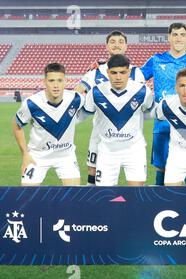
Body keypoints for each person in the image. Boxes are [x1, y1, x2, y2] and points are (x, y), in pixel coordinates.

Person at [141, 22, 186, 186]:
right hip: (162, 125)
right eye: (174, 34)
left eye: (182, 35)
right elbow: (134, 77)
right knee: (161, 168)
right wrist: (102, 69)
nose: (178, 38)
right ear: (169, 37)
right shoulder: (156, 60)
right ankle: (160, 207)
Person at [74, 30, 145, 185]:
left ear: (126, 46)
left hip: (129, 135)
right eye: (112, 41)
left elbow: (142, 100)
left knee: (135, 182)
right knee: (93, 172)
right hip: (101, 133)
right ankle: (95, 203)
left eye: (120, 42)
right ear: (106, 46)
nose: (116, 45)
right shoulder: (96, 71)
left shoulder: (136, 72)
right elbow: (78, 92)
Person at [80, 55, 154, 186]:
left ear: (129, 72)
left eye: (122, 72)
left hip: (134, 151)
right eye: (114, 73)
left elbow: (149, 112)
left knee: (136, 194)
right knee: (104, 196)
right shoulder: (96, 92)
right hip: (107, 151)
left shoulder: (143, 91)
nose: (118, 77)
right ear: (108, 72)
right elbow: (82, 116)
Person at [12, 63, 84, 186]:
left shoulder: (76, 99)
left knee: (73, 197)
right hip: (38, 156)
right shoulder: (31, 103)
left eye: (59, 80)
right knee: (26, 197)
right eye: (51, 80)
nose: (56, 85)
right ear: (44, 81)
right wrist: (25, 155)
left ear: (65, 81)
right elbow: (16, 124)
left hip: (66, 155)